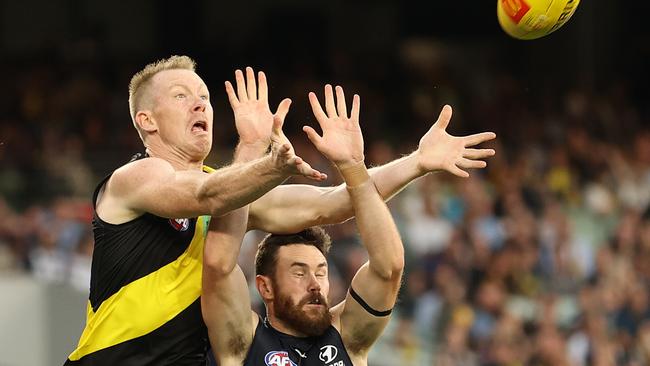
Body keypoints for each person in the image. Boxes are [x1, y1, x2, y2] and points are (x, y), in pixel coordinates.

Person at [66, 55, 495, 365]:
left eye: (203, 96)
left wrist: (416, 162)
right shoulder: (133, 179)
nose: (200, 105)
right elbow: (208, 196)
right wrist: (261, 156)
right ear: (147, 121)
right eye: (181, 97)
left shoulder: (230, 194)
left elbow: (335, 205)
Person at [203, 85, 405, 365]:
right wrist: (251, 147)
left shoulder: (347, 337)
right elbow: (217, 263)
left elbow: (388, 268)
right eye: (299, 273)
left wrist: (352, 166)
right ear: (265, 288)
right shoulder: (244, 342)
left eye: (321, 273)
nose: (315, 285)